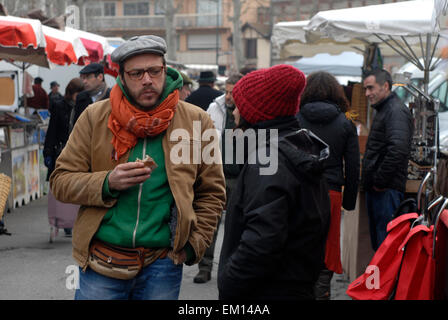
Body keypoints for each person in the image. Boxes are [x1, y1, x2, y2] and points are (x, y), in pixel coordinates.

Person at [50, 35, 226, 300]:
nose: (147, 80)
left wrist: (193, 245)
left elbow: (212, 192)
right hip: (102, 261)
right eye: (137, 73)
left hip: (163, 264)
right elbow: (61, 181)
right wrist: (107, 182)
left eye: (155, 71)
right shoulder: (95, 117)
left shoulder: (197, 120)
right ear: (121, 76)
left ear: (165, 71)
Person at [217, 65, 331, 300]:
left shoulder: (269, 161)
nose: (234, 111)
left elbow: (261, 244)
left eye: (239, 104)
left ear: (256, 112)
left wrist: (229, 283)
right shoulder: (295, 147)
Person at [297, 71, 360, 300]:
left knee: (300, 239)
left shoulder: (296, 118)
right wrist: (349, 201)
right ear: (336, 92)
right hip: (331, 191)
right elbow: (353, 167)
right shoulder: (345, 123)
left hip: (300, 188)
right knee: (329, 244)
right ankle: (321, 290)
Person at [193, 73, 243, 284]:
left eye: (234, 92)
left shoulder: (247, 110)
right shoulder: (215, 107)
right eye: (228, 91)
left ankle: (231, 268)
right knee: (210, 221)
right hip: (216, 171)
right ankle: (204, 267)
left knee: (235, 226)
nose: (230, 96)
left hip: (238, 175)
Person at [361, 69, 413, 251]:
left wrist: (380, 181)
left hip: (386, 190)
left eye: (370, 88)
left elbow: (397, 150)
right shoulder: (386, 109)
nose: (367, 94)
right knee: (381, 247)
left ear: (385, 86)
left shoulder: (395, 111)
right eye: (365, 89)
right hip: (381, 189)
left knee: (386, 248)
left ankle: (386, 281)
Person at [44, 78, 84, 238]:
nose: (79, 97)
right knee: (59, 189)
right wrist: (47, 152)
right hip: (60, 151)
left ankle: (71, 221)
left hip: (78, 153)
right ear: (71, 92)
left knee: (75, 188)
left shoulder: (84, 106)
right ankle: (60, 221)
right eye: (77, 94)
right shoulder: (59, 106)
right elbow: (52, 131)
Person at [72, 63, 111, 127]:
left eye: (88, 77)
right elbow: (76, 125)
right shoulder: (80, 97)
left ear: (100, 77)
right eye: (83, 78)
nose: (84, 81)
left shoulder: (111, 96)